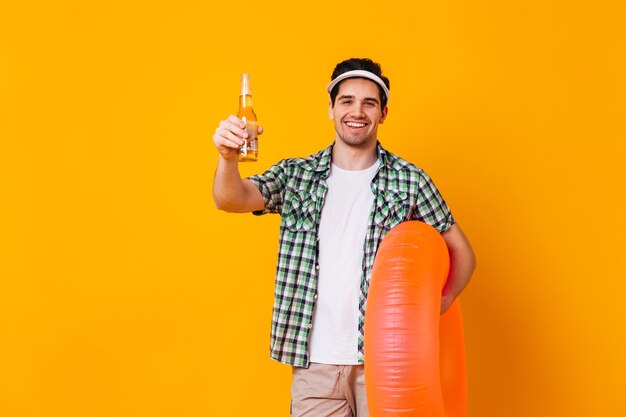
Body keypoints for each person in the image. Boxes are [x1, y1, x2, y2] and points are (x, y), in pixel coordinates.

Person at [212, 58, 476, 417]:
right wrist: (228, 158)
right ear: (331, 109)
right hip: (314, 365)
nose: (357, 111)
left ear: (383, 113)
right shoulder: (297, 175)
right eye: (347, 101)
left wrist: (436, 307)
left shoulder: (410, 180)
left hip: (384, 364)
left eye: (369, 102)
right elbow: (231, 199)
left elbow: (462, 252)